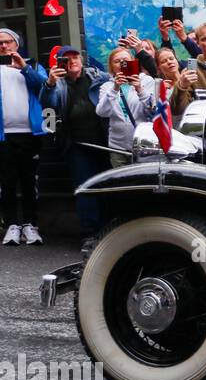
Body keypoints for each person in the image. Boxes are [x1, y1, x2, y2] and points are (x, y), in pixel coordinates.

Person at [41, 46, 111, 248]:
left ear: (82, 59)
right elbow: (48, 107)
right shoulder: (57, 84)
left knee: (110, 184)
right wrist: (50, 83)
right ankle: (91, 232)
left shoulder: (98, 77)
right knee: (85, 187)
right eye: (66, 58)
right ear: (59, 62)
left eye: (75, 57)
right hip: (77, 144)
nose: (72, 61)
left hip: (105, 141)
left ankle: (111, 228)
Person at [0, 27, 49, 245]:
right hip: (4, 135)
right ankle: (11, 224)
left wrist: (24, 68)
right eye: (0, 43)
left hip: (30, 133)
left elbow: (45, 88)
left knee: (29, 181)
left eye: (7, 42)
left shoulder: (34, 66)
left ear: (16, 44)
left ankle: (30, 224)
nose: (3, 46)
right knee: (7, 181)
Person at [96, 47, 157, 168]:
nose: (121, 64)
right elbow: (102, 112)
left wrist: (140, 89)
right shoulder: (107, 86)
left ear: (133, 62)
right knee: (123, 183)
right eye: (117, 61)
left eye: (125, 60)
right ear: (112, 67)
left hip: (143, 145)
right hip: (118, 148)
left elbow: (152, 109)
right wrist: (115, 89)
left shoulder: (147, 81)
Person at [153, 46, 199, 119]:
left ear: (176, 60)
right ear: (159, 68)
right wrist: (161, 94)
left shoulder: (190, 78)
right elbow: (159, 114)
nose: (169, 62)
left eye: (171, 58)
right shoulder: (160, 87)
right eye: (164, 61)